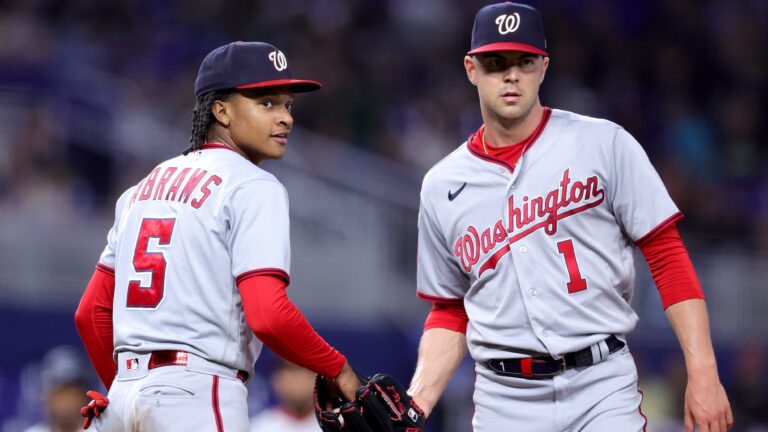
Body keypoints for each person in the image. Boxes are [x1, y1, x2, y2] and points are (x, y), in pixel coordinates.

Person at [406, 3, 733, 432]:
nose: (511, 75)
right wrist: (415, 404)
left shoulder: (603, 144)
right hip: (505, 399)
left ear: (543, 67)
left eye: (524, 61)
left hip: (600, 384)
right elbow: (450, 309)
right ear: (471, 68)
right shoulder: (441, 184)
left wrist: (704, 371)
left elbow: (666, 254)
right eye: (495, 63)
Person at [74, 41, 360, 431]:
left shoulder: (140, 189)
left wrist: (127, 389)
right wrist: (337, 366)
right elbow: (269, 315)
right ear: (220, 110)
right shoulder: (254, 186)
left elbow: (90, 314)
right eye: (266, 103)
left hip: (121, 400)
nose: (285, 118)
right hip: (197, 394)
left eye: (287, 105)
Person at [23, 346, 92, 432]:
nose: (67, 402)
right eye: (60, 394)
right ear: (46, 397)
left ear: (84, 396)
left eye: (72, 393)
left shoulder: (100, 430)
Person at [249, 360, 318, 432]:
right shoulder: (259, 426)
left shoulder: (329, 423)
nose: (296, 382)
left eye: (300, 371)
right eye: (290, 371)